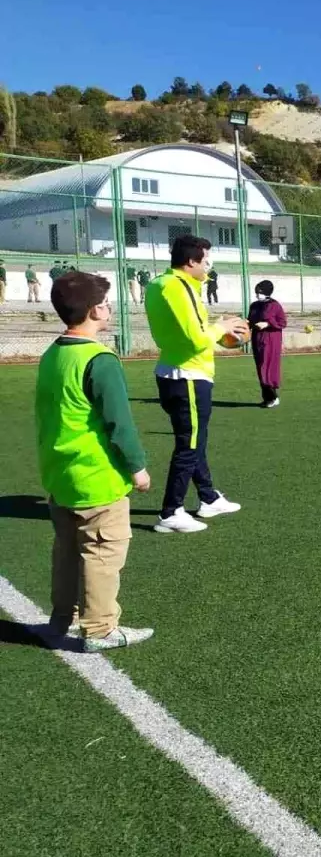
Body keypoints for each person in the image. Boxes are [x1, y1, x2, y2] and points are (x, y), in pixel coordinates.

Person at [35, 271, 154, 652]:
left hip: (61, 473)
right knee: (102, 553)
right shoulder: (99, 359)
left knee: (67, 551)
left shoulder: (54, 352)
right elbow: (119, 421)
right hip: (96, 478)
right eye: (104, 303)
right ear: (93, 310)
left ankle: (61, 620)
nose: (109, 309)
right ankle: (101, 629)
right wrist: (137, 467)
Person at [144, 235, 248, 533]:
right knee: (189, 444)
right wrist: (223, 328)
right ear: (191, 262)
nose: (208, 266)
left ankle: (208, 497)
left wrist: (216, 326)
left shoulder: (161, 283)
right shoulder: (178, 286)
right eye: (205, 261)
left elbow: (190, 329)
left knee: (195, 440)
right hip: (186, 376)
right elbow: (197, 338)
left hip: (178, 372)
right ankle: (170, 511)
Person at [248, 280, 288, 408]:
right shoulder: (254, 305)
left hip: (271, 339)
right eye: (257, 292)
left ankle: (273, 396)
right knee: (260, 367)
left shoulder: (275, 305)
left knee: (268, 368)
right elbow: (250, 320)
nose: (257, 294)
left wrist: (267, 324)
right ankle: (268, 397)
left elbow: (282, 322)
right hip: (257, 339)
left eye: (260, 292)